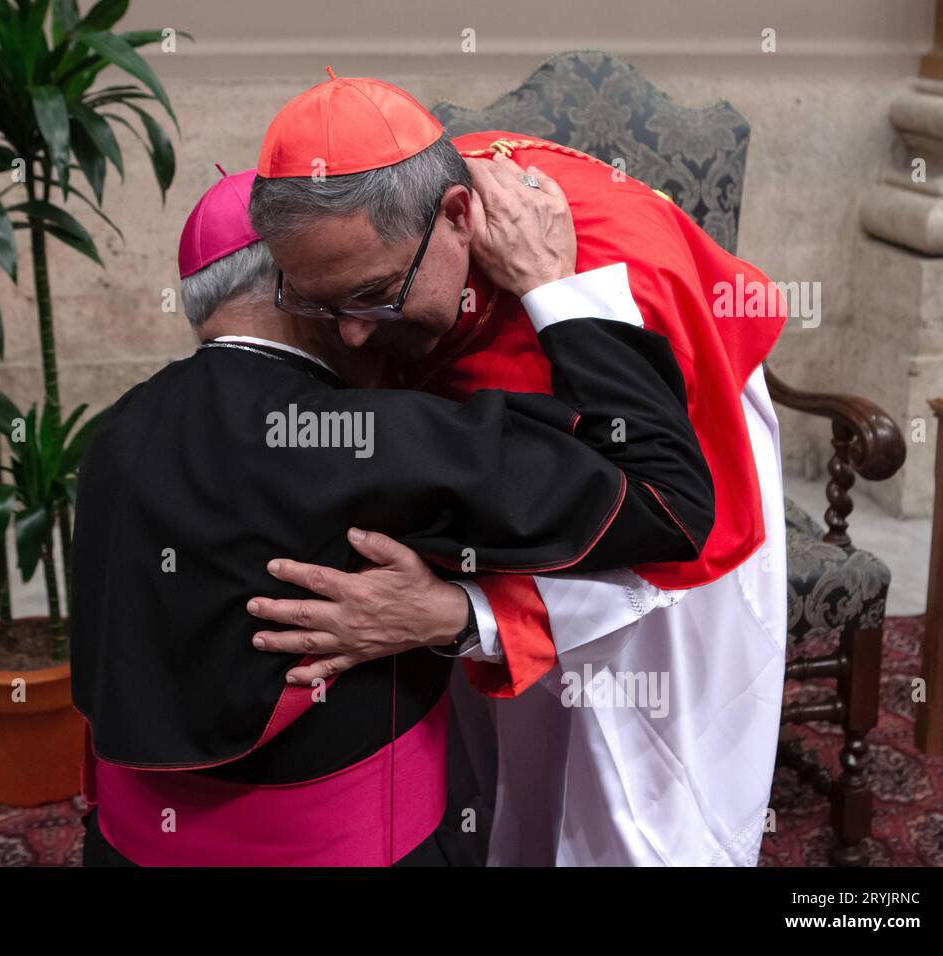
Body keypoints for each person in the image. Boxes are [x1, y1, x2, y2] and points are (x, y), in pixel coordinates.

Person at [69, 165, 714, 866]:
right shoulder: (372, 440)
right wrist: (556, 292)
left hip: (121, 847)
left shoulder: (116, 429)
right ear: (301, 287)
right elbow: (662, 498)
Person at [245, 70, 788, 865]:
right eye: (322, 304)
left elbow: (669, 528)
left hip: (666, 509)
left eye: (373, 298)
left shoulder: (621, 274)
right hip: (512, 524)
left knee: (635, 804)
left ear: (461, 217)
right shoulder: (385, 219)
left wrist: (462, 615)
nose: (353, 342)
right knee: (513, 781)